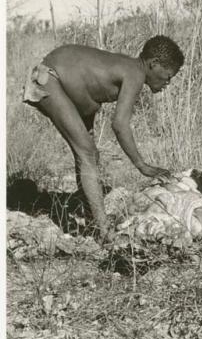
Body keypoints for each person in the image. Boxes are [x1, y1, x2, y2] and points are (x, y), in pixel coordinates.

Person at [23, 35, 185, 242]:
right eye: (167, 76)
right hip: (50, 79)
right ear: (153, 64)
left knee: (88, 153)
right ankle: (104, 231)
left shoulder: (129, 67)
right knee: (87, 152)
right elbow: (119, 124)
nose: (167, 83)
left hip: (53, 78)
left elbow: (90, 83)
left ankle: (92, 218)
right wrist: (141, 165)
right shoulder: (135, 72)